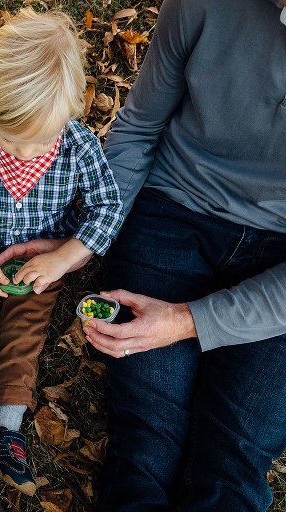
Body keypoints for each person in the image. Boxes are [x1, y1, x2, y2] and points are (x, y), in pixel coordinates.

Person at [77, 0, 286, 510]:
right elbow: (140, 125)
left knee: (232, 459)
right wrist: (83, 241)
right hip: (172, 211)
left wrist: (187, 321)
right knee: (145, 442)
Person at [0, 8, 123, 496]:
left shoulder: (78, 146)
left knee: (25, 333)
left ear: (70, 111)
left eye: (38, 141)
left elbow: (107, 206)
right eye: (12, 138)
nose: (22, 154)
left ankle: (4, 423)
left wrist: (61, 259)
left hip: (39, 265)